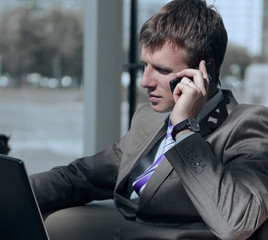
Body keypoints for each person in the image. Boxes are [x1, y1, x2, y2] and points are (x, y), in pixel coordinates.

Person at [30, 0, 268, 239]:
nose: (145, 81)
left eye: (162, 70)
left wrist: (185, 129)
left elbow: (238, 222)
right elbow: (80, 177)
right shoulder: (149, 119)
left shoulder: (247, 124)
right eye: (145, 65)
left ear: (206, 70)